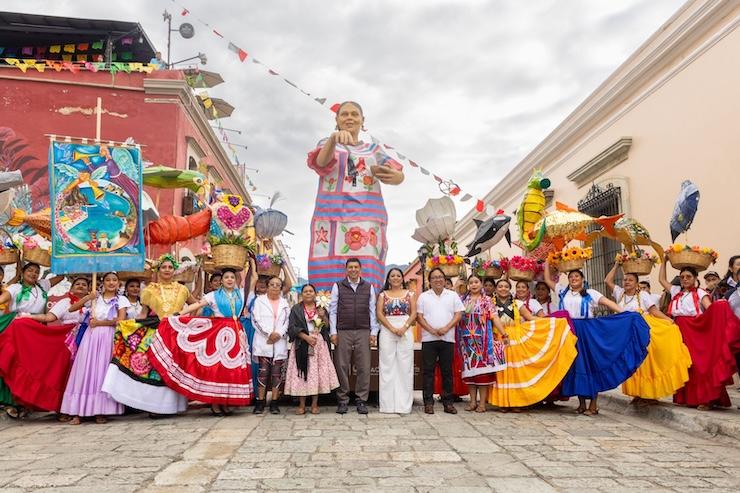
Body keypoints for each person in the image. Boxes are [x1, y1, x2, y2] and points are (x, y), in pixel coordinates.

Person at [306, 101, 404, 291]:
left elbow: (396, 172)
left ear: (362, 120)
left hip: (367, 217)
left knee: (366, 269)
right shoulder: (327, 144)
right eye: (344, 114)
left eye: (354, 114)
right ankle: (326, 309)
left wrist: (397, 177)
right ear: (337, 120)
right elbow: (320, 162)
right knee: (329, 265)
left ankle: (368, 309)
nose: (349, 117)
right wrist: (334, 140)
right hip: (331, 216)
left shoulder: (373, 150)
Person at [544, 262, 649, 416]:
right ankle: (581, 404)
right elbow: (548, 280)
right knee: (575, 366)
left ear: (582, 279)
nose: (573, 279)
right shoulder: (562, 291)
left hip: (587, 332)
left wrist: (625, 313)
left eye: (577, 276)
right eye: (571, 277)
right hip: (569, 331)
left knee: (591, 365)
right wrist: (547, 262)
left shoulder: (591, 293)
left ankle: (593, 405)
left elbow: (609, 303)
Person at [101, 254, 191, 416]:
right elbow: (143, 313)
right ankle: (156, 407)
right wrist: (128, 325)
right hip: (157, 332)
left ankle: (172, 405)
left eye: (170, 267)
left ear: (175, 270)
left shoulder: (182, 289)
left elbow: (194, 304)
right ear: (158, 270)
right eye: (163, 267)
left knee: (173, 367)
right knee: (157, 368)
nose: (167, 270)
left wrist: (185, 319)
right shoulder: (149, 290)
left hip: (176, 333)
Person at [605, 262, 691, 402]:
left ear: (637, 283)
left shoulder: (643, 295)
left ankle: (649, 394)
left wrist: (669, 321)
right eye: (625, 279)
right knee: (631, 363)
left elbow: (653, 311)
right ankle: (637, 393)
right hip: (626, 333)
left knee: (645, 363)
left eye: (630, 280)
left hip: (641, 331)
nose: (627, 282)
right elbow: (607, 281)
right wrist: (616, 265)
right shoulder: (620, 293)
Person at [487, 278, 577, 412]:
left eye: (506, 286)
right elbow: (491, 319)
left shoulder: (517, 303)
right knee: (502, 371)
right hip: (499, 339)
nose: (503, 289)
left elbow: (530, 318)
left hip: (516, 339)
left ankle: (517, 402)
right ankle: (504, 402)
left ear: (509, 289)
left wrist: (552, 321)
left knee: (517, 371)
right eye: (500, 286)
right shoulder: (490, 304)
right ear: (496, 289)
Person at [659, 259, 737, 410]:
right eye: (682, 277)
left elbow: (710, 310)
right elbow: (661, 280)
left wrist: (720, 306)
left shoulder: (701, 293)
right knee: (686, 364)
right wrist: (664, 261)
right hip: (680, 331)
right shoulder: (676, 292)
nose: (685, 280)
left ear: (695, 279)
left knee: (699, 365)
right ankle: (689, 398)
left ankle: (706, 399)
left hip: (696, 330)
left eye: (688, 277)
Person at [179, 267, 253, 416]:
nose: (230, 280)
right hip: (220, 333)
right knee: (218, 368)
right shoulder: (213, 295)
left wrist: (251, 263)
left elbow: (254, 279)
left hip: (237, 332)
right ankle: (215, 403)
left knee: (232, 370)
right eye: (226, 277)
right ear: (222, 281)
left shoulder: (241, 294)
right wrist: (180, 313)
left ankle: (226, 402)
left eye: (232, 277)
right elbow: (198, 305)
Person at [60, 272, 127, 424]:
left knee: (101, 372)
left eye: (114, 280)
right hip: (90, 338)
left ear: (118, 283)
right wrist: (87, 298)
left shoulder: (121, 299)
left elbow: (120, 320)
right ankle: (77, 412)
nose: (111, 283)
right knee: (85, 371)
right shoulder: (95, 298)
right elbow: (71, 309)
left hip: (108, 337)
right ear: (102, 282)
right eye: (108, 280)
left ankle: (100, 411)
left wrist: (100, 323)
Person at [0, 262, 63, 418]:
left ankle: (28, 402)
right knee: (16, 364)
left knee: (34, 366)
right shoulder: (15, 288)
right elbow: (3, 298)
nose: (33, 274)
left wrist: (59, 258)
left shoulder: (42, 286)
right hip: (19, 329)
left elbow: (61, 276)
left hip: (36, 330)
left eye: (36, 271)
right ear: (23, 271)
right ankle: (12, 402)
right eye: (30, 270)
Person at [328, 258, 379, 414]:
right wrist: (333, 332)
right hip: (343, 331)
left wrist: (373, 332)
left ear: (360, 269)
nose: (353, 270)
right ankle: (343, 399)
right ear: (346, 270)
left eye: (356, 267)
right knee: (341, 365)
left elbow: (372, 311)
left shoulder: (368, 287)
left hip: (363, 330)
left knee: (364, 365)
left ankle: (361, 400)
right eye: (350, 267)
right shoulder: (337, 286)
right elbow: (333, 310)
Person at [416, 267, 464, 414]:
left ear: (444, 279)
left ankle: (448, 402)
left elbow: (458, 314)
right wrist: (431, 330)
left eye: (440, 277)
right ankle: (428, 403)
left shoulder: (452, 295)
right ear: (429, 281)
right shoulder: (423, 296)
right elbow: (419, 316)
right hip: (429, 339)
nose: (438, 279)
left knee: (447, 371)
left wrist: (447, 327)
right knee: (428, 372)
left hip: (447, 338)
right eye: (434, 277)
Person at [284, 284, 339, 415]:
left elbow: (328, 326)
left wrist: (323, 316)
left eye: (311, 291)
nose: (308, 293)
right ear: (302, 294)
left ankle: (315, 404)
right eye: (305, 291)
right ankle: (302, 405)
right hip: (301, 343)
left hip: (318, 344)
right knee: (302, 373)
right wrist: (305, 337)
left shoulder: (321, 307)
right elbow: (291, 327)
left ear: (315, 294)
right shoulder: (296, 309)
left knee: (316, 374)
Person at [458, 275, 508, 412]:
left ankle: (482, 403)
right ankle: (472, 401)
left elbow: (495, 317)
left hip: (483, 341)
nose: (474, 285)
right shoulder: (463, 300)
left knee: (483, 372)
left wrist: (503, 333)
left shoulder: (487, 300)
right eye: (471, 283)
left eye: (476, 282)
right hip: (466, 341)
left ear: (481, 284)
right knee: (470, 371)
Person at [376, 268, 416, 414]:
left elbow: (414, 313)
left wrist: (404, 327)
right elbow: (379, 313)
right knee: (387, 366)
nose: (395, 278)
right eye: (392, 276)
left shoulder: (410, 294)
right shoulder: (382, 295)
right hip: (387, 329)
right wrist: (392, 328)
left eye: (398, 275)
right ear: (388, 278)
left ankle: (403, 405)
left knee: (405, 366)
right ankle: (387, 405)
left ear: (402, 278)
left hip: (405, 329)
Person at [251, 276, 290, 414]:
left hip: (279, 342)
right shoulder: (259, 301)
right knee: (263, 373)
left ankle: (274, 402)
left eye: (278, 285)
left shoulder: (285, 303)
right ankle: (260, 402)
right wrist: (269, 334)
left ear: (281, 288)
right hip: (264, 341)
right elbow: (255, 319)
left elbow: (287, 322)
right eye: (272, 284)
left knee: (276, 374)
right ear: (267, 287)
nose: (275, 287)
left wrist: (278, 334)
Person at [26, 276, 90, 325]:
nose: (81, 286)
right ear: (71, 289)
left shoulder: (93, 303)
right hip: (68, 335)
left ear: (88, 290)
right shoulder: (65, 302)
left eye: (84, 285)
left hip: (88, 336)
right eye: (77, 284)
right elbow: (48, 317)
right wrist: (28, 317)